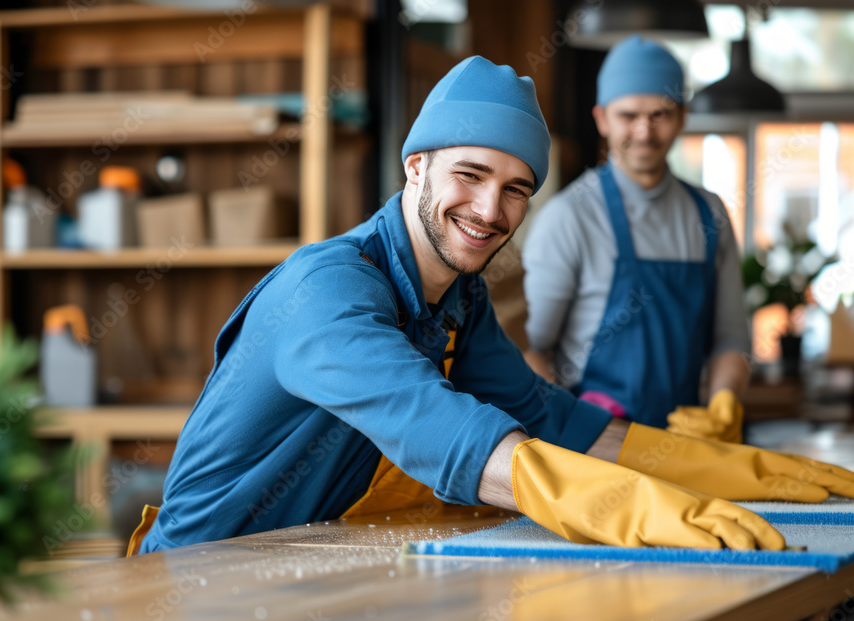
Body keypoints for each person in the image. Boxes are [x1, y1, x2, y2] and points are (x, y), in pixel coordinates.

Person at [130, 56, 854, 557]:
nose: (490, 209)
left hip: (299, 564)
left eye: (516, 188)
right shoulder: (326, 291)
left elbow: (551, 419)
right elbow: (444, 431)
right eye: (470, 175)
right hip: (194, 581)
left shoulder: (458, 299)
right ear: (416, 166)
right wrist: (629, 506)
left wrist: (732, 470)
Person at [522, 35, 748, 441]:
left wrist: (724, 401)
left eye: (659, 113)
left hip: (688, 444)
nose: (644, 131)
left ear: (682, 116)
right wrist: (568, 431)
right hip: (594, 448)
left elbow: (730, 338)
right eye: (628, 115)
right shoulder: (568, 217)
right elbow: (531, 350)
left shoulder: (711, 214)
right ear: (602, 118)